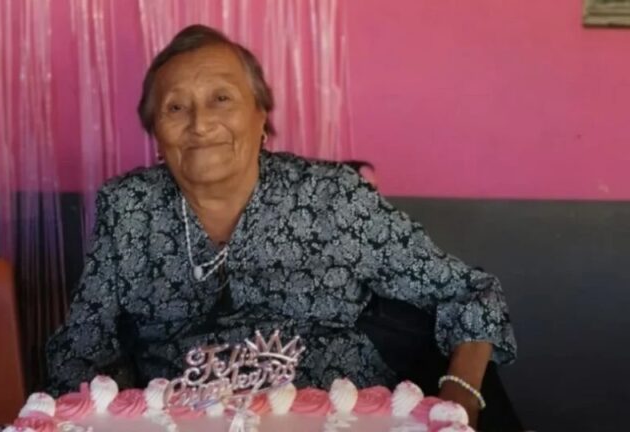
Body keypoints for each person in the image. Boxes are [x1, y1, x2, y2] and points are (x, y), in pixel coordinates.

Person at [46, 24, 516, 427]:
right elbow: (82, 344)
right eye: (175, 108)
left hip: (338, 418)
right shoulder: (128, 207)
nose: (200, 124)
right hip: (184, 420)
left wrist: (458, 400)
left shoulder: (332, 197)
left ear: (261, 116)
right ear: (156, 133)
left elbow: (468, 292)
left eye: (221, 99)